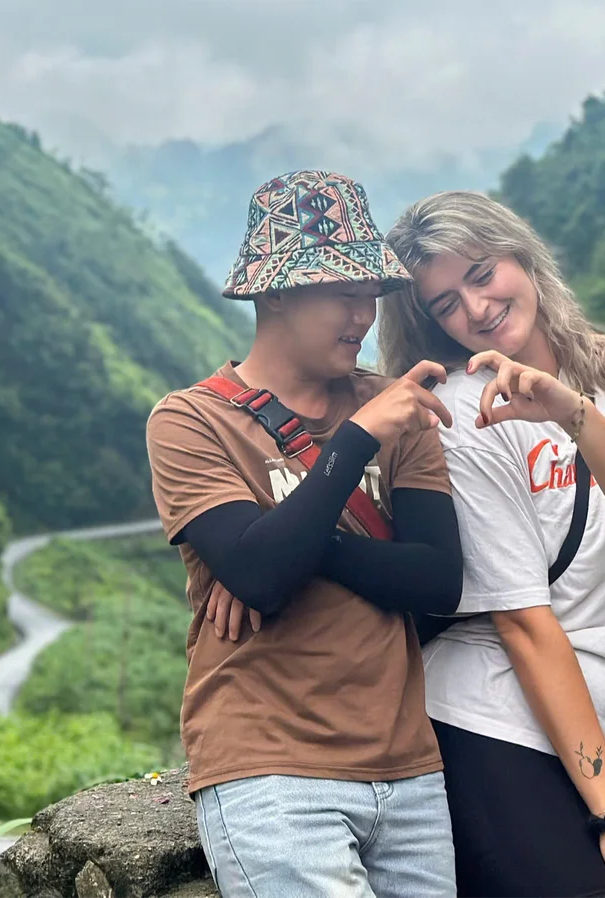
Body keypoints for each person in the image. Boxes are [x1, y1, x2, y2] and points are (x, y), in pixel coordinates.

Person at [375, 190, 605, 898]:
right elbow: (522, 623)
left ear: (522, 256)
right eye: (445, 303)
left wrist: (574, 414)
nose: (475, 308)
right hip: (500, 721)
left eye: (482, 273)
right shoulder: (458, 419)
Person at [145, 170, 464, 898]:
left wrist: (287, 542)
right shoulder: (190, 421)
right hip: (271, 772)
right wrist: (350, 446)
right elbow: (261, 579)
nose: (363, 316)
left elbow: (439, 583)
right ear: (277, 293)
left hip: (409, 771)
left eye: (371, 296)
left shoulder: (397, 406)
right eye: (342, 293)